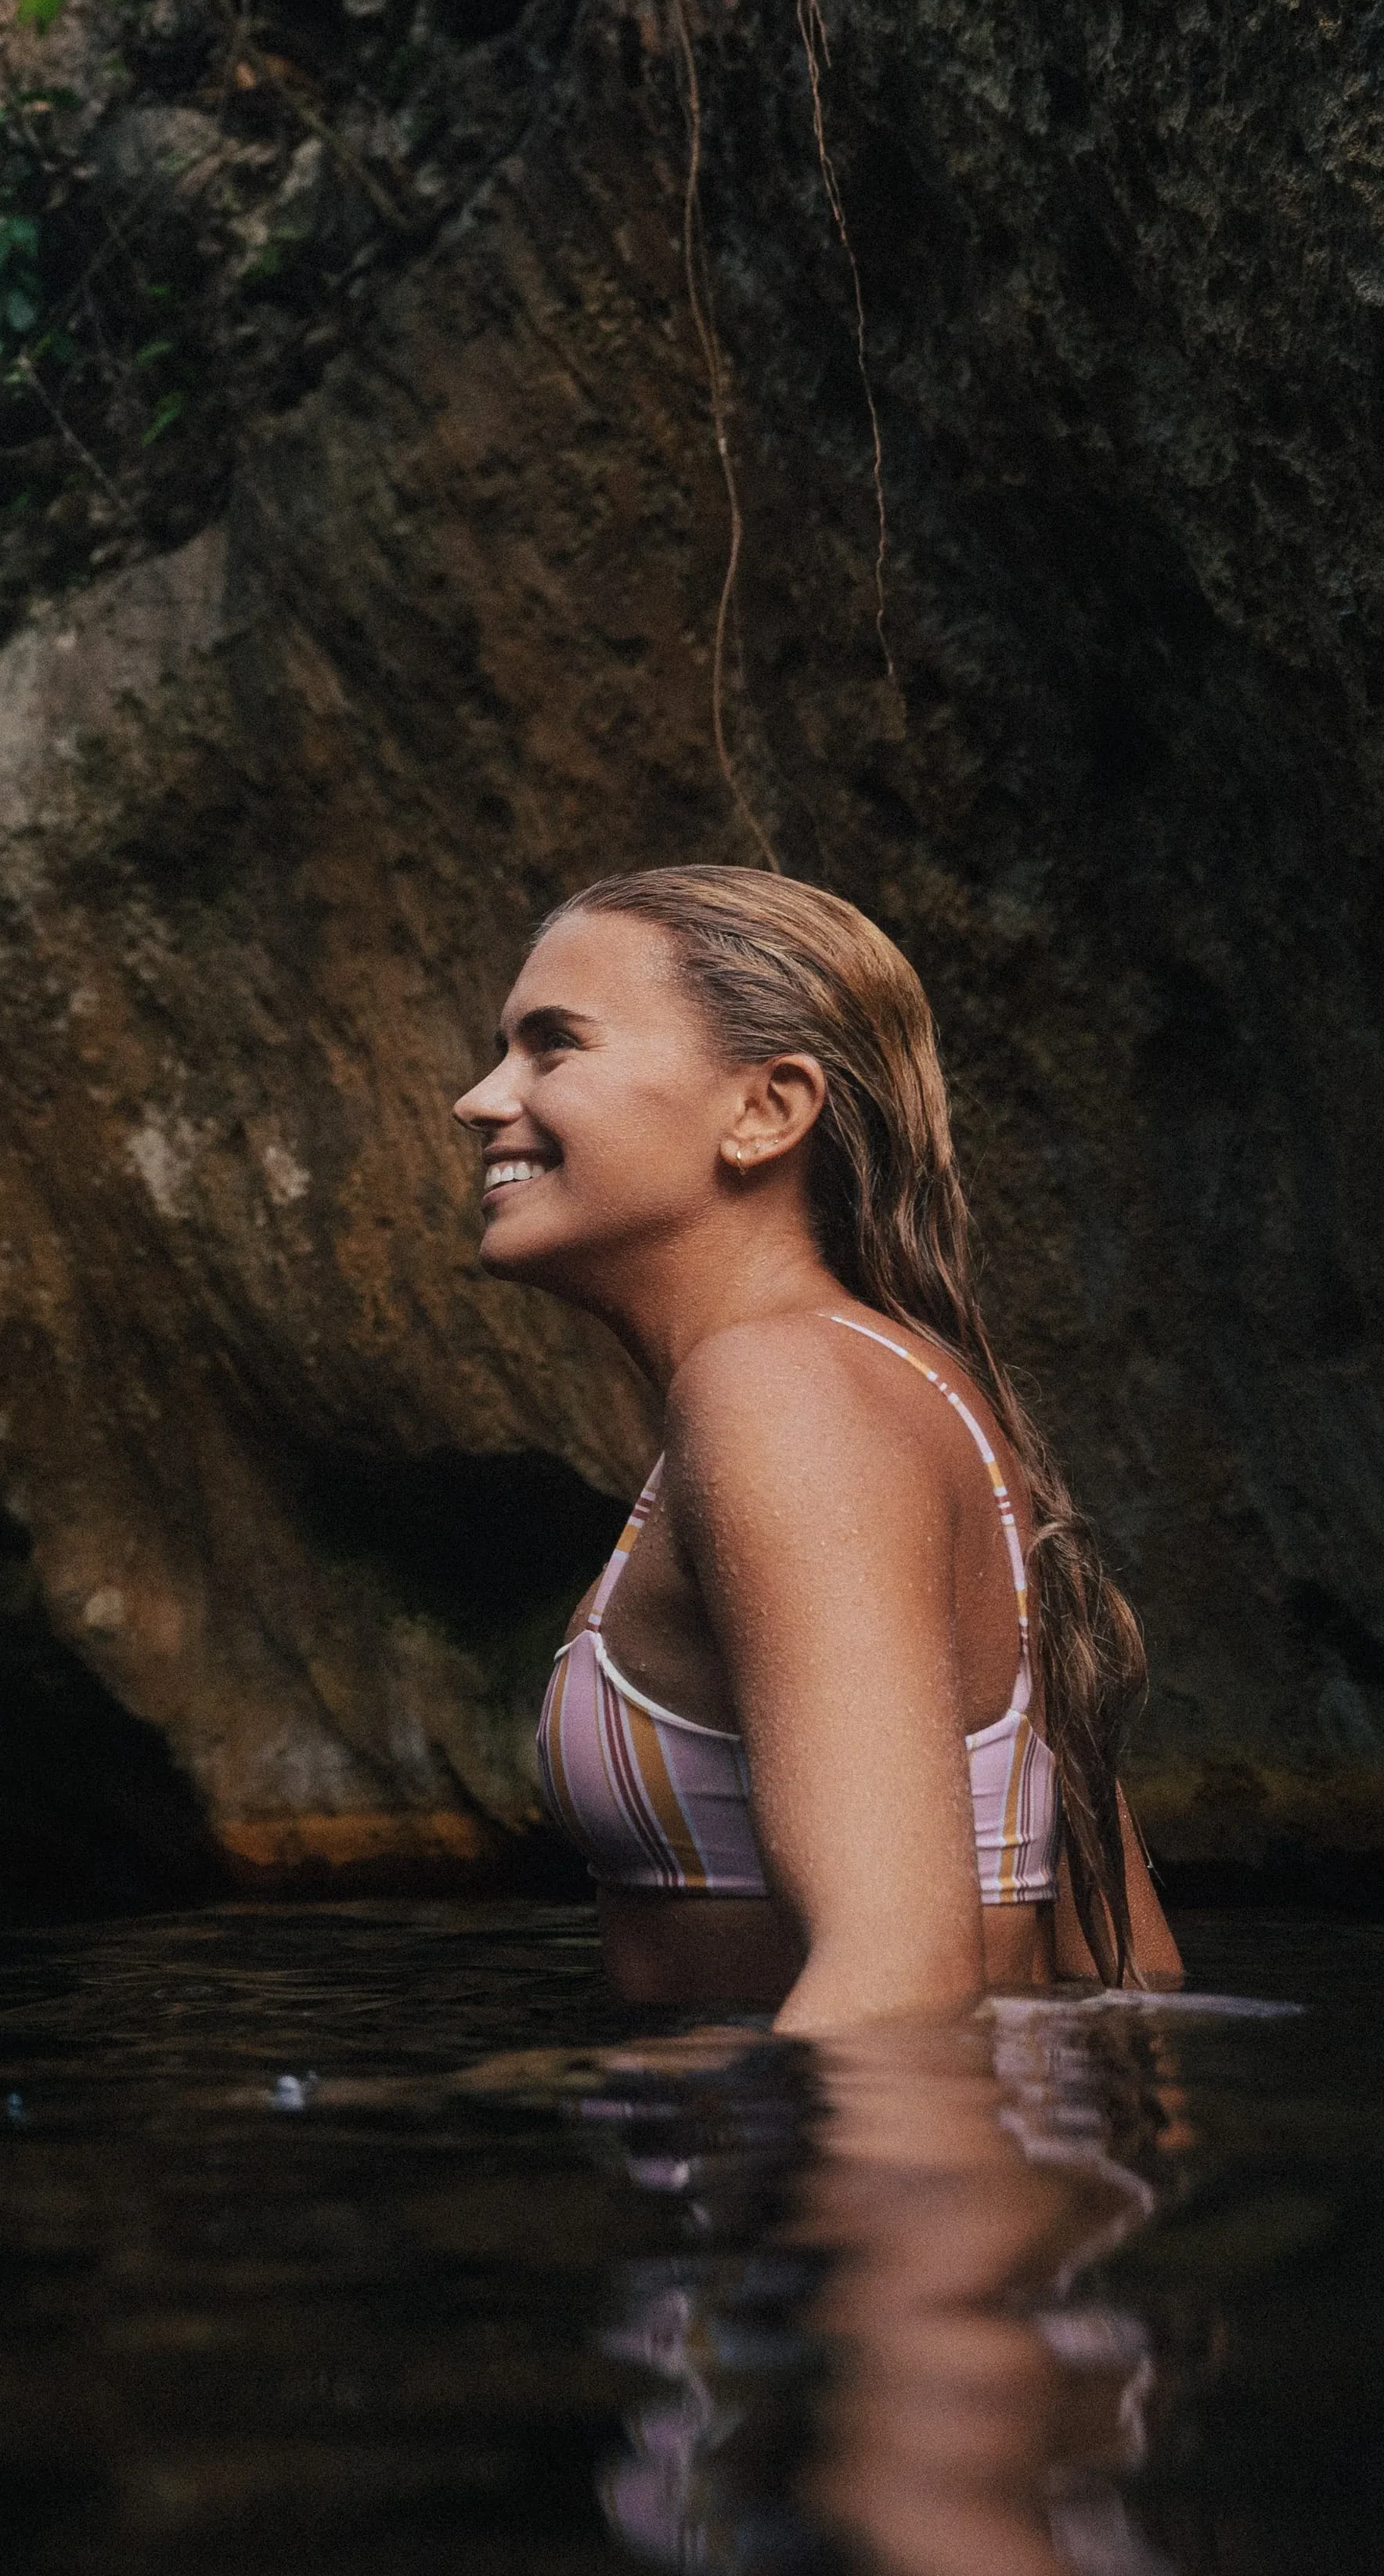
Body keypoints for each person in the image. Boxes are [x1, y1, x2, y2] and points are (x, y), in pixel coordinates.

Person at [466, 866, 1184, 2026]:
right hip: (894, 2172)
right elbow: (1129, 1974)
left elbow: (896, 1984)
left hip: (877, 2188)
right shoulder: (883, 1380)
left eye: (554, 1046)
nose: (479, 1098)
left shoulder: (785, 1389)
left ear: (765, 1109)